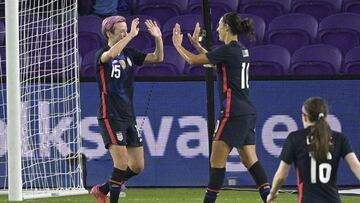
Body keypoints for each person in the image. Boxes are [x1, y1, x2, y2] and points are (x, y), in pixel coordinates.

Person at [172, 12, 270, 203]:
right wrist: (197, 46)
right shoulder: (240, 50)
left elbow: (193, 61)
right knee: (250, 159)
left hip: (232, 112)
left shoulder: (228, 50)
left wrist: (177, 45)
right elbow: (217, 63)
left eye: (219, 24)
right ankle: (269, 198)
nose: (216, 28)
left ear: (226, 27)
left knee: (216, 162)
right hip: (247, 111)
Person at [90, 15, 163, 203]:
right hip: (110, 115)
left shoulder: (129, 54)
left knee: (137, 166)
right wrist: (130, 36)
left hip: (128, 117)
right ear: (108, 33)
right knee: (121, 164)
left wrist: (158, 38)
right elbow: (111, 55)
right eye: (121, 30)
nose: (125, 32)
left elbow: (158, 58)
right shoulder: (100, 54)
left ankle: (102, 190)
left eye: (126, 29)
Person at [267, 97, 360, 203]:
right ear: (325, 117)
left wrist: (272, 193)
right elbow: (356, 166)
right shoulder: (340, 138)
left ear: (305, 117)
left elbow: (281, 176)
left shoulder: (295, 138)